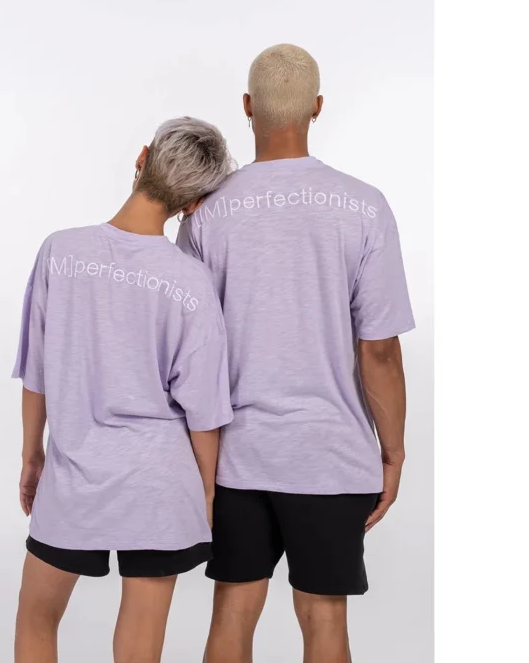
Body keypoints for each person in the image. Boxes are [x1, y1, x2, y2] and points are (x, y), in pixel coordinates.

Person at [177, 44, 416, 663]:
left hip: (233, 455)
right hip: (329, 454)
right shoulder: (364, 205)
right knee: (324, 618)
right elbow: (380, 350)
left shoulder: (206, 213)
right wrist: (392, 451)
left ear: (247, 107)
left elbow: (185, 346)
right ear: (316, 107)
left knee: (232, 613)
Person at [12, 117, 234, 663]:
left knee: (37, 618)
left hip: (73, 473)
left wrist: (32, 456)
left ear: (141, 158)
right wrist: (206, 493)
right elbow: (203, 409)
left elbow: (37, 371)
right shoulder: (191, 280)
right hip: (160, 483)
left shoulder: (60, 251)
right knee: (140, 646)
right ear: (192, 204)